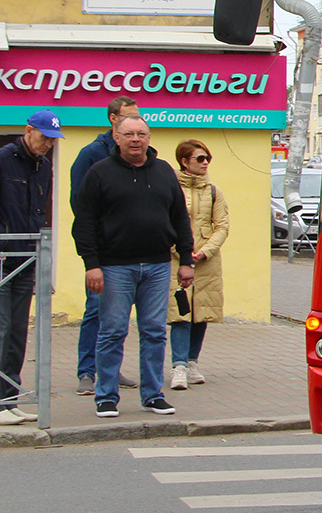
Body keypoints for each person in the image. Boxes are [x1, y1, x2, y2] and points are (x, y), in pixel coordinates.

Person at [72, 116, 194, 418]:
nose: (135, 139)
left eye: (141, 134)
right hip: (114, 268)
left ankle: (152, 395)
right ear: (116, 137)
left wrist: (187, 260)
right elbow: (84, 222)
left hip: (157, 265)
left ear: (149, 137)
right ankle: (106, 397)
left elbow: (180, 217)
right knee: (112, 332)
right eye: (128, 134)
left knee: (154, 332)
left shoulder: (165, 172)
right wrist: (92, 265)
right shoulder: (99, 173)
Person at [69, 95, 141, 396]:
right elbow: (79, 202)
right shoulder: (92, 154)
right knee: (96, 309)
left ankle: (110, 368)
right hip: (102, 250)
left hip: (130, 249)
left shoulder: (138, 156)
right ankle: (87, 371)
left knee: (119, 314)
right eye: (128, 117)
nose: (134, 126)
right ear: (113, 119)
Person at [0, 111, 63, 425]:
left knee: (17, 333)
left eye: (53, 140)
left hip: (27, 259)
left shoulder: (44, 166)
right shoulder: (3, 159)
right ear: (28, 131)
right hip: (2, 258)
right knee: (1, 327)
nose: (48, 145)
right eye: (44, 138)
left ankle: (9, 399)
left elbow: (41, 210)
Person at [168, 140, 230, 391]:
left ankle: (192, 363)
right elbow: (164, 222)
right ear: (184, 162)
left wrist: (204, 252)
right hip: (176, 260)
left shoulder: (214, 192)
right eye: (200, 159)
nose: (205, 163)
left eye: (207, 159)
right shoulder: (171, 189)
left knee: (201, 313)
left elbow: (222, 226)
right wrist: (181, 252)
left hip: (206, 262)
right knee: (180, 313)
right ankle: (179, 366)